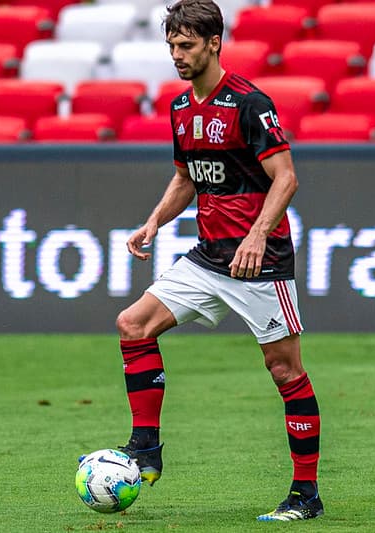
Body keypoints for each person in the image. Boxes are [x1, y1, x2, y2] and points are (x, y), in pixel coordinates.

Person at [115, 0, 323, 521]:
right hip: (209, 256)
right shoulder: (181, 108)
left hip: (260, 263)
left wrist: (257, 236)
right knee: (133, 325)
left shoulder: (251, 103)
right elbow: (186, 178)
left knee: (284, 370)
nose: (177, 56)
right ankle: (145, 447)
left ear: (213, 43)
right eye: (171, 46)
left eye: (186, 45)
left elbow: (287, 178)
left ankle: (306, 493)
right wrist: (154, 221)